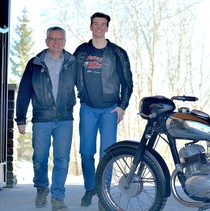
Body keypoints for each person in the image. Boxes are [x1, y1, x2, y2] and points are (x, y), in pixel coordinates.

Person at [74, 12, 133, 208]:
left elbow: (127, 81)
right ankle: (90, 188)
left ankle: (103, 194)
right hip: (87, 109)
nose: (99, 27)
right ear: (91, 26)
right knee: (86, 152)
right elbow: (70, 77)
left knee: (107, 155)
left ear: (107, 28)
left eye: (103, 24)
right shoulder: (81, 51)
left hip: (109, 110)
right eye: (95, 24)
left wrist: (122, 106)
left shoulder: (117, 52)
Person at [15, 26, 77, 211]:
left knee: (62, 159)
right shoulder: (35, 63)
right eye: (52, 38)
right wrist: (20, 118)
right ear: (46, 41)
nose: (56, 42)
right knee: (40, 158)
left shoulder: (73, 63)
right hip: (41, 118)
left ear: (64, 42)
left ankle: (58, 196)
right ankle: (42, 188)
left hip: (65, 119)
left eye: (59, 39)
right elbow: (24, 91)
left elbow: (84, 86)